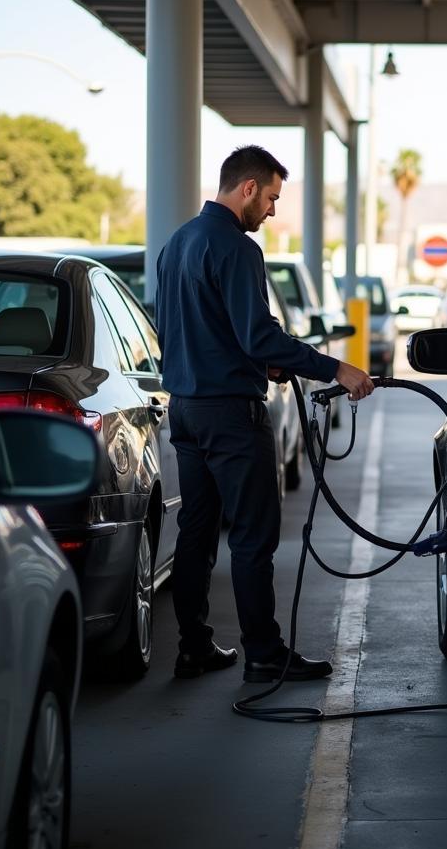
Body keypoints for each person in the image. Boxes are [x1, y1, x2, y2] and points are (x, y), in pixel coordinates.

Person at [156, 144, 373, 683]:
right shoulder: (236, 248)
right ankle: (264, 654)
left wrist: (263, 364)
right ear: (247, 188)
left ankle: (194, 647)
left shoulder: (176, 243)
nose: (273, 211)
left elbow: (194, 330)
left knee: (196, 532)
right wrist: (335, 369)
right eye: (272, 197)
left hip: (184, 410)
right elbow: (257, 333)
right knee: (254, 536)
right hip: (230, 415)